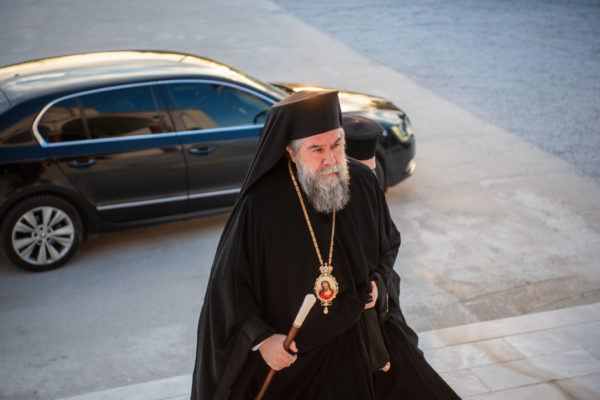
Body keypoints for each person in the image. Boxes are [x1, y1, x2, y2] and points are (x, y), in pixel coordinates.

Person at [191, 91, 459, 399]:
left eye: (337, 144)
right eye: (317, 149)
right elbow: (229, 286)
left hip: (356, 340)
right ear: (292, 153)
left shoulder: (362, 181)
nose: (331, 159)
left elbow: (388, 242)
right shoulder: (261, 205)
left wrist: (379, 282)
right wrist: (263, 340)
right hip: (294, 362)